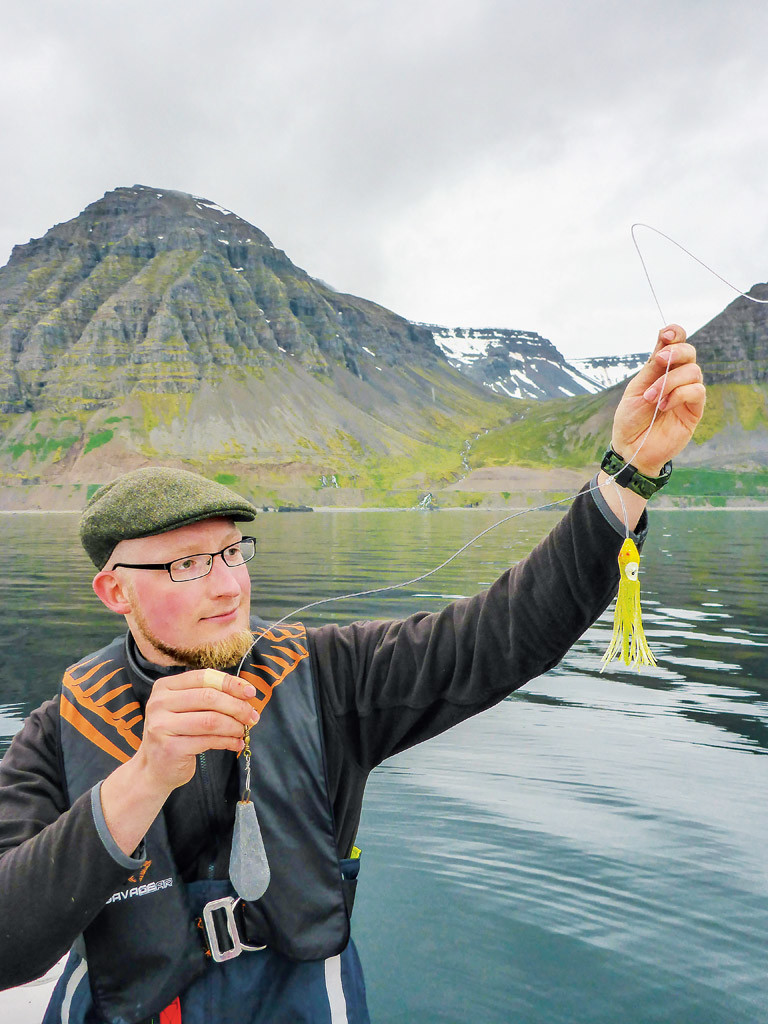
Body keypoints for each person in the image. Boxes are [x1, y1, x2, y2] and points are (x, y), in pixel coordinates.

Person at [0, 327, 705, 1024]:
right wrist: (144, 778)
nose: (227, 587)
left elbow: (505, 635)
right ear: (114, 592)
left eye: (230, 552)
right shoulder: (57, 732)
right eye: (185, 565)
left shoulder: (330, 676)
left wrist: (630, 473)